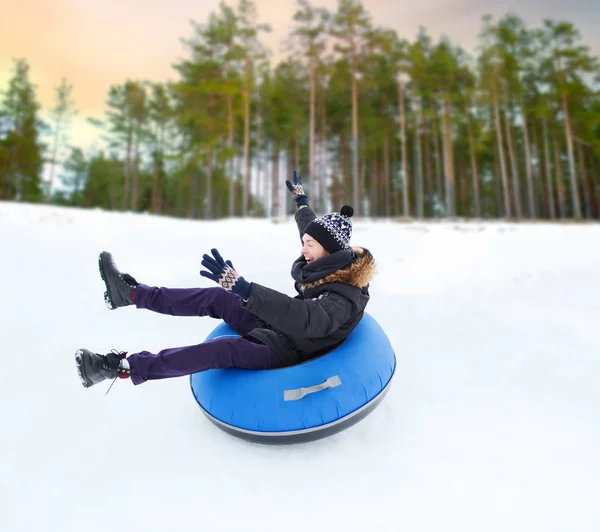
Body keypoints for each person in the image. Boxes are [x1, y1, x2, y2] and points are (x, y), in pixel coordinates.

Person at [75, 171, 376, 389]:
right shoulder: (332, 258)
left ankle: (119, 367)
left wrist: (247, 290)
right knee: (218, 298)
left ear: (328, 250)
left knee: (222, 349)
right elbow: (310, 229)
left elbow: (306, 318)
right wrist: (301, 202)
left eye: (309, 244)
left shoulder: (343, 297)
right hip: (279, 328)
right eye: (305, 241)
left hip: (290, 350)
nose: (303, 248)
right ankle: (129, 294)